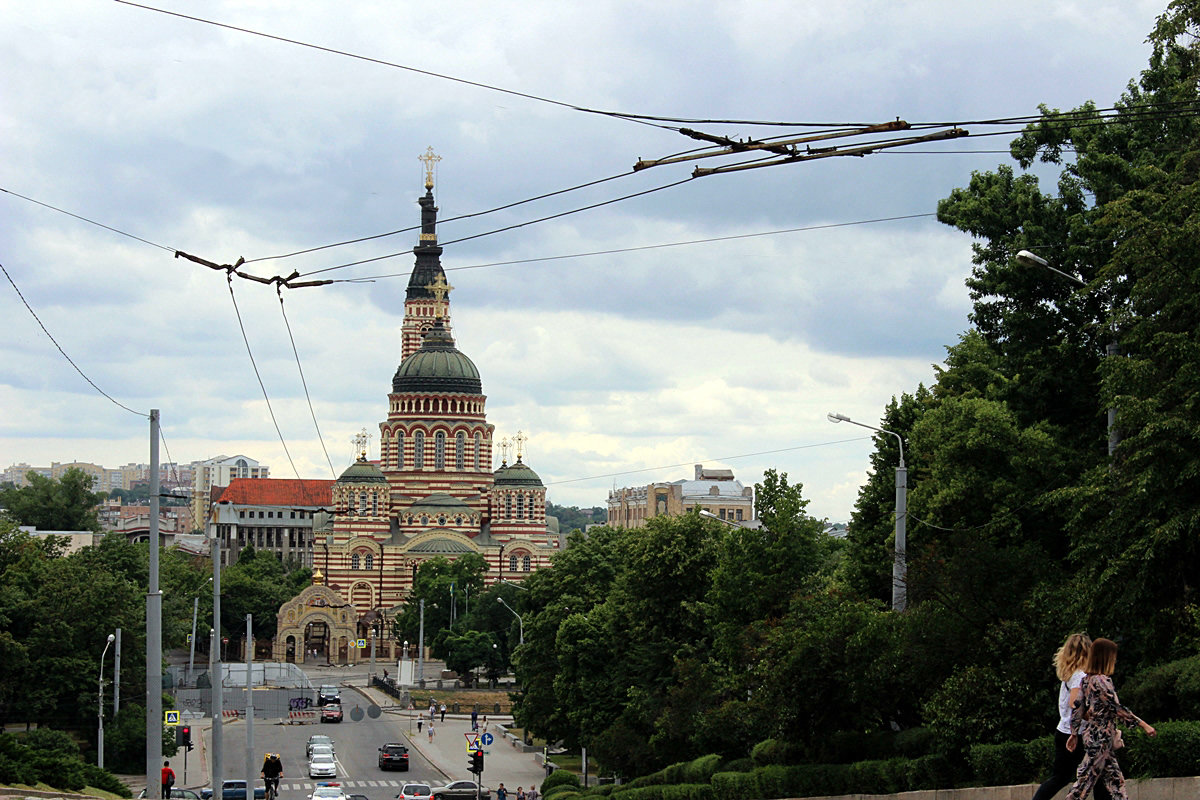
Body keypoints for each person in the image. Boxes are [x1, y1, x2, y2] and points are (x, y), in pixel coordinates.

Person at [1065, 638, 1156, 800]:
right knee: (1084, 784)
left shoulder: (1086, 680)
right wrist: (1144, 725)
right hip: (1101, 739)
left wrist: (1073, 733)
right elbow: (1117, 708)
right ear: (1106, 657)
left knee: (1115, 782)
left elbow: (1078, 707)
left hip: (1095, 737)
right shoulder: (1101, 681)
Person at [1031, 634, 1111, 800]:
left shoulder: (1069, 675)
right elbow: (1075, 703)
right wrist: (1093, 716)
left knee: (1060, 778)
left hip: (1063, 731)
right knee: (1099, 775)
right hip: (1078, 735)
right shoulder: (1080, 676)